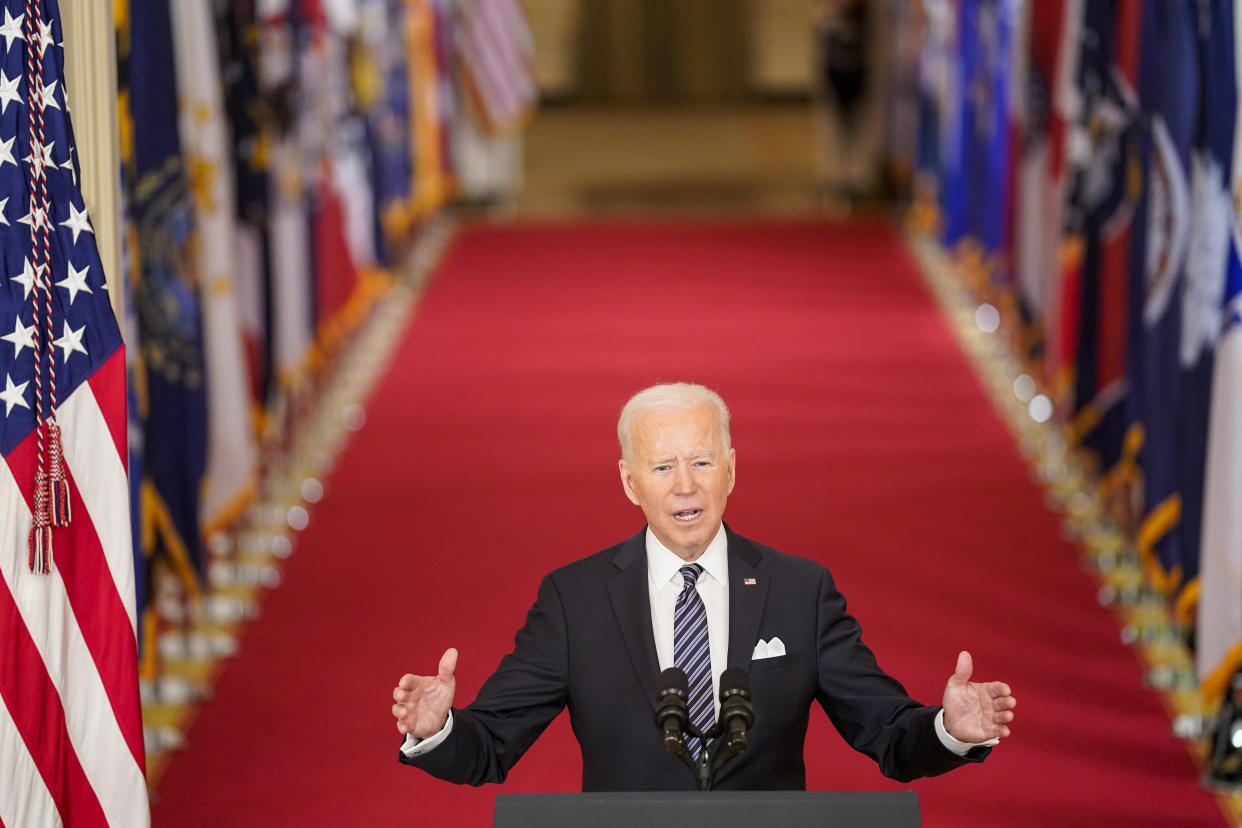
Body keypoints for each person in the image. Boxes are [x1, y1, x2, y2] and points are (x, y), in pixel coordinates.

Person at [391, 382, 1016, 790]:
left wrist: (951, 730)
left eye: (702, 462)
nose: (685, 486)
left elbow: (888, 735)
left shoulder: (801, 590)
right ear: (631, 483)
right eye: (662, 467)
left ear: (732, 470)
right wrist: (438, 728)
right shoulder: (573, 600)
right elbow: (491, 747)